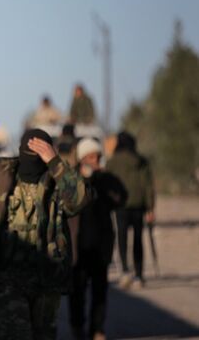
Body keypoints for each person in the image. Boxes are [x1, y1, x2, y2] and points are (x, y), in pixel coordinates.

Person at [0, 129, 88, 340]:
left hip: (48, 278)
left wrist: (55, 161)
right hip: (8, 278)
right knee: (14, 334)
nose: (34, 163)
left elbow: (79, 201)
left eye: (41, 155)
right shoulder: (0, 180)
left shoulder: (57, 179)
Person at [69, 138, 127, 340]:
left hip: (101, 245)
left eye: (97, 157)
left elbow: (121, 199)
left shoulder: (107, 179)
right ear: (81, 158)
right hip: (78, 247)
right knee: (77, 293)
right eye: (90, 157)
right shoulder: (72, 178)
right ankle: (77, 327)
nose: (94, 160)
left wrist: (102, 181)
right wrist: (84, 180)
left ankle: (98, 329)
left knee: (99, 292)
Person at [106, 131, 155, 289]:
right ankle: (139, 275)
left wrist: (108, 202)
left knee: (122, 239)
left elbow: (107, 182)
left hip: (120, 205)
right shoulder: (141, 161)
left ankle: (125, 271)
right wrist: (150, 207)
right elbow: (148, 185)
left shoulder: (113, 161)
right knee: (138, 240)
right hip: (139, 205)